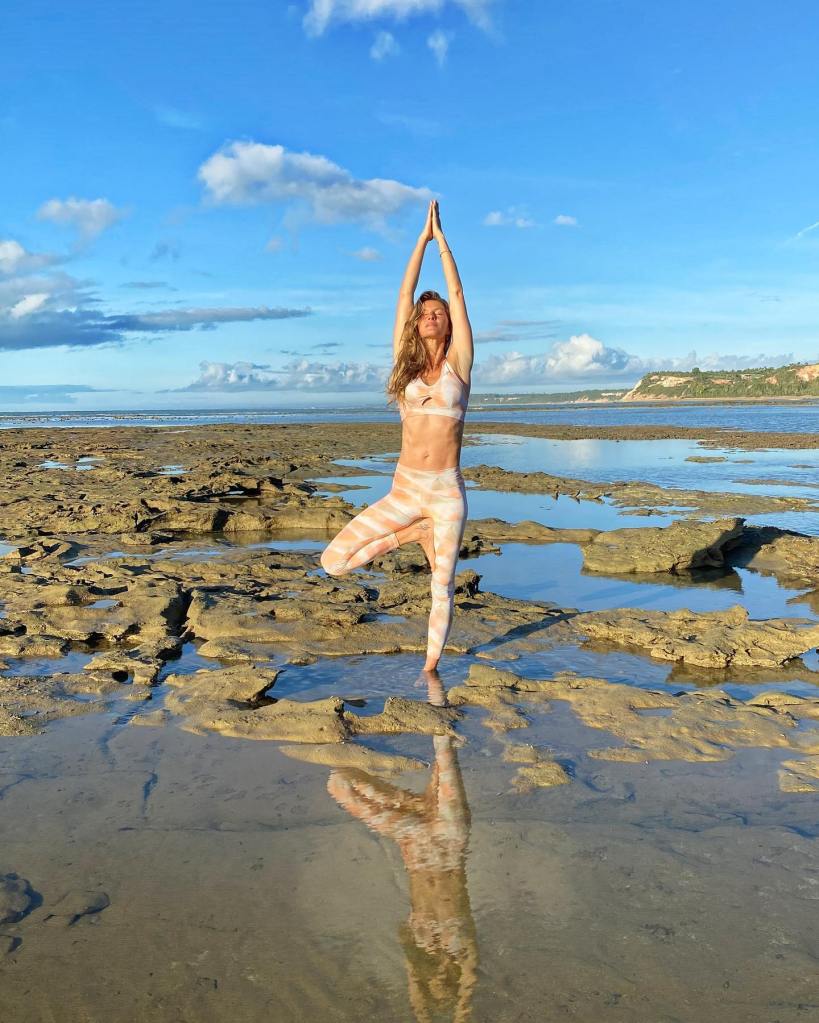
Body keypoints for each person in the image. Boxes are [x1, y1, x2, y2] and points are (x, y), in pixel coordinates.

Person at [320, 199, 473, 671]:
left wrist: (442, 243)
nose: (430, 315)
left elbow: (459, 294)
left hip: (446, 491)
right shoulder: (404, 370)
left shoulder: (459, 366)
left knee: (441, 586)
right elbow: (402, 295)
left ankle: (430, 672)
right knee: (334, 562)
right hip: (405, 489)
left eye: (438, 312)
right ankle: (412, 536)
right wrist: (419, 241)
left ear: (448, 323)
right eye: (425, 313)